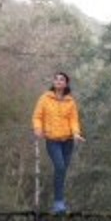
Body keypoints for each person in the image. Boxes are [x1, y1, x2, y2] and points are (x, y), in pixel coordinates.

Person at [31, 71, 84, 213]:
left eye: (61, 79)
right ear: (53, 82)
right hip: (52, 140)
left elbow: (73, 120)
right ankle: (59, 202)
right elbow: (37, 116)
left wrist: (76, 133)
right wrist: (37, 129)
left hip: (68, 141)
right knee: (59, 167)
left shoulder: (70, 101)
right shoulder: (45, 98)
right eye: (56, 79)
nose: (58, 81)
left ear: (66, 83)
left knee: (62, 171)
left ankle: (59, 204)